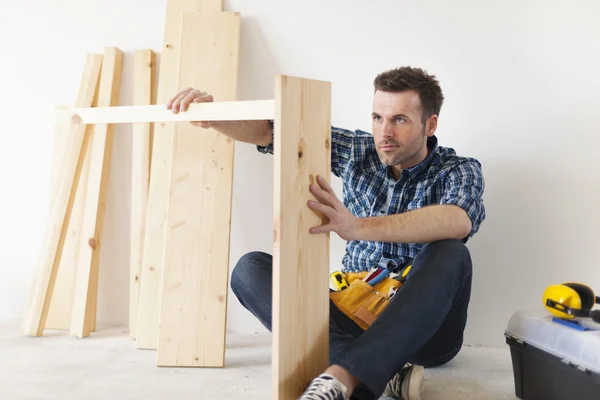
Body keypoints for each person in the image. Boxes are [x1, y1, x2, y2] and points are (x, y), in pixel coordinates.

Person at [166, 66, 486, 400]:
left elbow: (457, 220)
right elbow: (272, 133)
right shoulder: (359, 151)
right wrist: (213, 116)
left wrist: (358, 227)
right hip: (351, 310)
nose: (384, 132)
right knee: (250, 269)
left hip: (424, 333)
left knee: (451, 252)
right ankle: (375, 372)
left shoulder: (459, 169)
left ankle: (344, 368)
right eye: (378, 117)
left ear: (430, 124)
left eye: (399, 120)